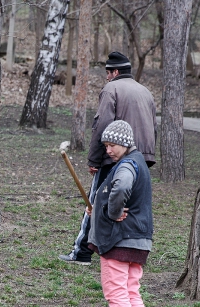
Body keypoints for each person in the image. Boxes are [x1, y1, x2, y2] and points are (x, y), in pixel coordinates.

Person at [59, 51, 157, 265]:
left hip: (114, 159)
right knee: (128, 206)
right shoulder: (146, 91)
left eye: (108, 72)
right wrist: (147, 156)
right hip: (141, 158)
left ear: (115, 72)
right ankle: (123, 250)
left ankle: (82, 252)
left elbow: (101, 126)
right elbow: (153, 126)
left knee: (96, 202)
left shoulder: (111, 89)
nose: (106, 77)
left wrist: (95, 159)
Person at [85, 120, 153, 307]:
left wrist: (112, 213)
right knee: (131, 289)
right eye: (105, 146)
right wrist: (99, 206)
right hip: (138, 240)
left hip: (119, 240)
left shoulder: (126, 165)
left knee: (116, 290)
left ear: (124, 144)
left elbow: (122, 187)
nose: (108, 150)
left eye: (112, 145)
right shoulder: (139, 162)